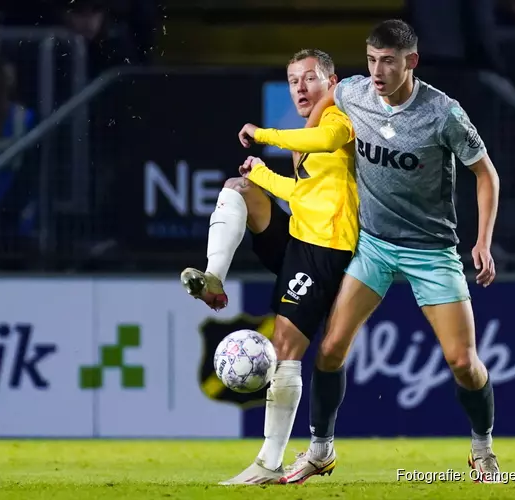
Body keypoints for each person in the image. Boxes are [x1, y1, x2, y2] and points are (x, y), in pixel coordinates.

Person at [270, 19, 502, 483]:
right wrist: (305, 153)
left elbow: (486, 175)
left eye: (389, 62)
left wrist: (482, 242)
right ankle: (320, 450)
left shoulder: (443, 113)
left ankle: (483, 449)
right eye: (372, 59)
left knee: (463, 362)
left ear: (410, 62)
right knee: (331, 349)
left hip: (432, 250)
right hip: (374, 245)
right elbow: (328, 99)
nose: (377, 71)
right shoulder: (355, 92)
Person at [180, 49, 359, 484]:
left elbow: (326, 144)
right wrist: (263, 173)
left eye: (310, 78)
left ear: (331, 81)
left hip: (325, 249)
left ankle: (269, 461)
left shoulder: (338, 117)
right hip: (300, 235)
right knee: (239, 187)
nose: (300, 87)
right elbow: (304, 195)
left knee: (286, 348)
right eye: (293, 80)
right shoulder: (310, 126)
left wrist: (265, 136)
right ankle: (214, 279)